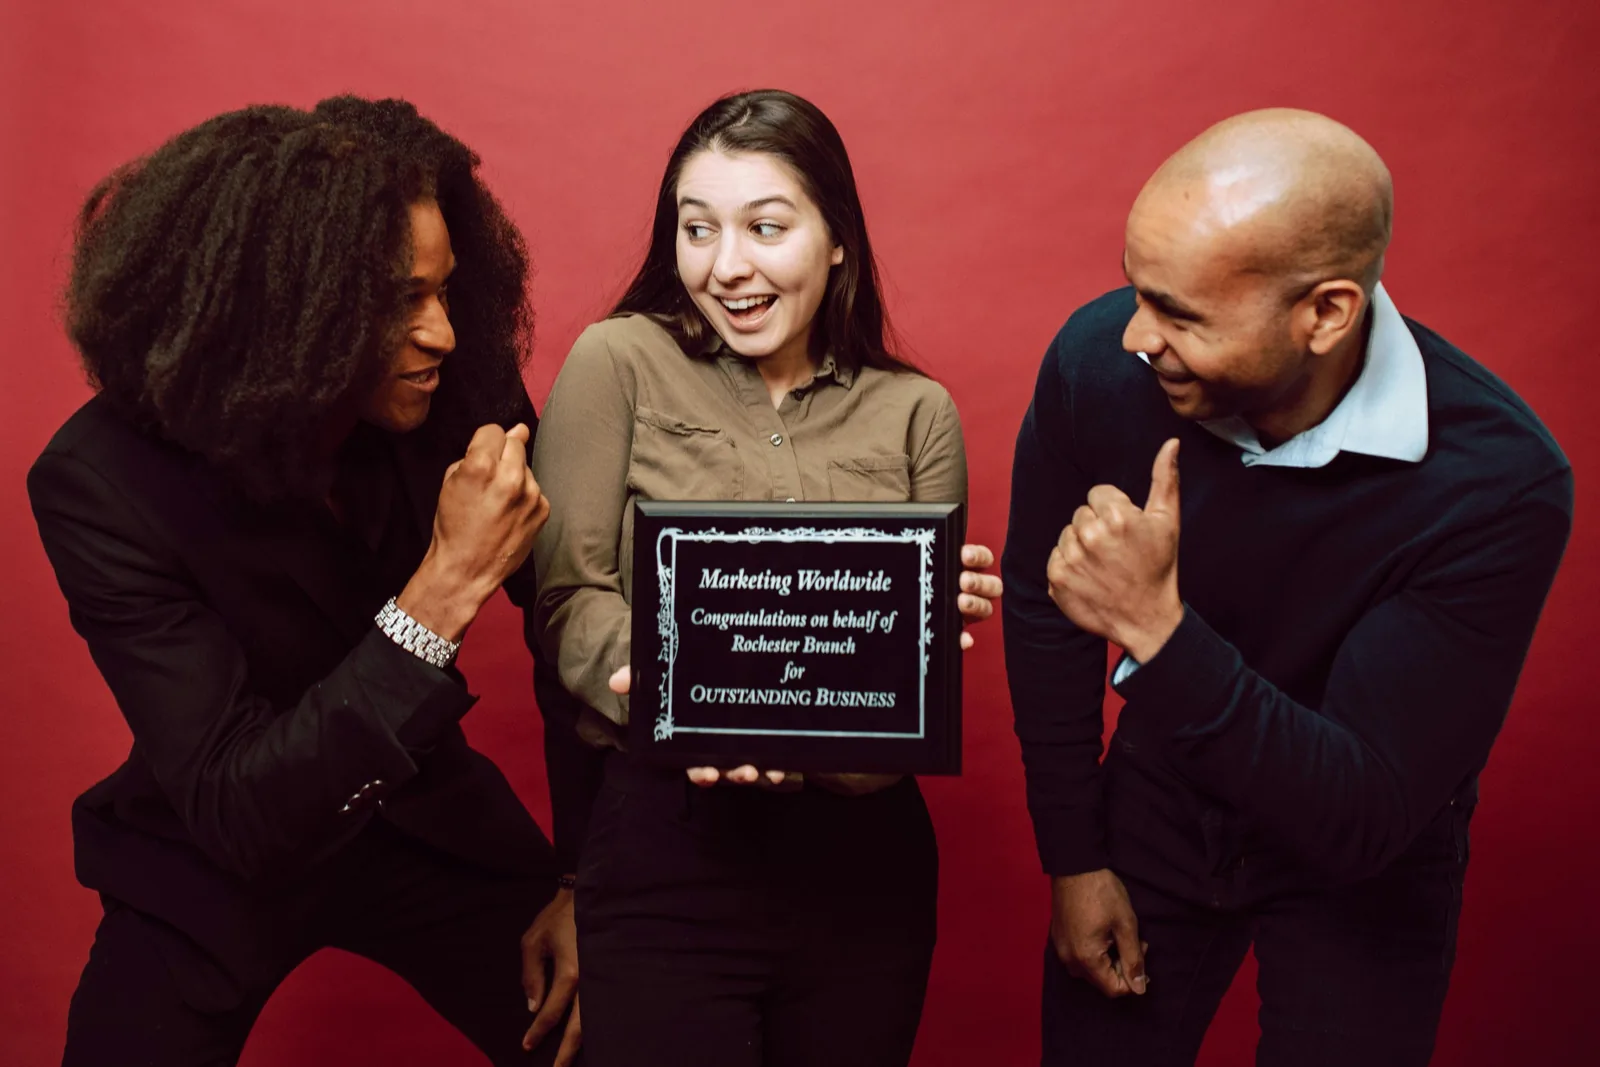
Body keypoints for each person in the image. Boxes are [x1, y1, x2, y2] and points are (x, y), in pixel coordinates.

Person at [1002, 107, 1574, 1066]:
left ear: (1325, 313)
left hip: (1369, 848)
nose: (1139, 334)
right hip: (1158, 802)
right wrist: (1074, 853)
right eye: (1139, 290)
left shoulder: (1497, 483)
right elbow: (1039, 601)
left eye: (1182, 313)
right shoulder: (1103, 365)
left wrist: (1158, 628)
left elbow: (1359, 812)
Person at [29, 97, 583, 1066]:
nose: (443, 333)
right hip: (220, 841)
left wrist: (591, 877)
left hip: (424, 811)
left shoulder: (461, 383)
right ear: (289, 308)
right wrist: (445, 586)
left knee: (608, 1023)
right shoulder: (99, 481)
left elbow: (577, 626)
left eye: (446, 290)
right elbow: (238, 802)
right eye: (400, 300)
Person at [528, 89, 1002, 1067]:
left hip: (863, 871)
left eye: (765, 226)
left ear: (836, 240)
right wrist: (703, 700)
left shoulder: (918, 414)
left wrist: (908, 654)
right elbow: (570, 600)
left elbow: (901, 708)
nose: (725, 264)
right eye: (695, 229)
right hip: (665, 849)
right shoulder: (616, 361)